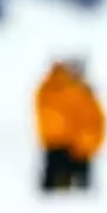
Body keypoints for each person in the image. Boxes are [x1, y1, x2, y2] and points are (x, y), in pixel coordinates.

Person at [36, 62, 77, 192]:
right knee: (60, 170)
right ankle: (61, 189)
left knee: (54, 169)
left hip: (53, 137)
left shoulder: (45, 87)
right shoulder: (67, 88)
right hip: (62, 137)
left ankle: (54, 190)